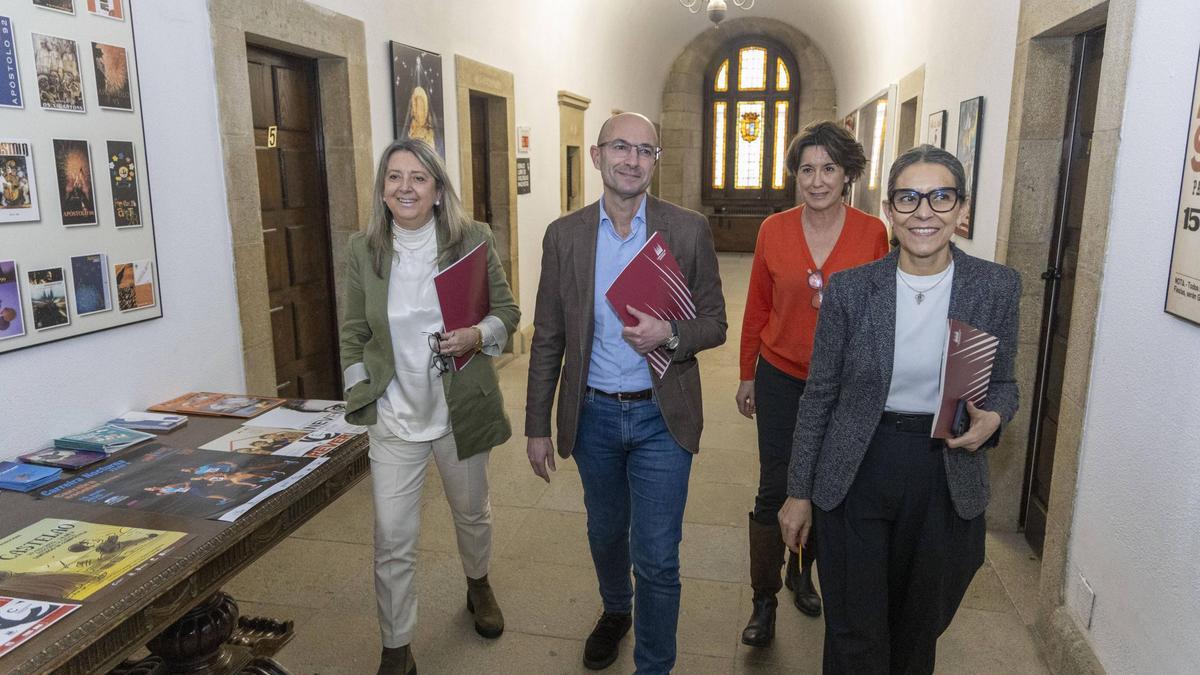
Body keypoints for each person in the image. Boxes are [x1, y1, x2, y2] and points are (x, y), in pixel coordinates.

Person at [778, 144, 1020, 673]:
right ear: (890, 210)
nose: (924, 212)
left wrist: (994, 417)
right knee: (854, 628)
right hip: (859, 464)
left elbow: (1003, 384)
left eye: (941, 197)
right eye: (909, 198)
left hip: (944, 466)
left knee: (917, 627)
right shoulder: (852, 289)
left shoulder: (995, 286)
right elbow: (819, 395)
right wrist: (798, 492)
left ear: (963, 210)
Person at [525, 112, 727, 674]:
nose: (632, 159)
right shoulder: (565, 236)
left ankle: (653, 667)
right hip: (591, 416)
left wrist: (672, 334)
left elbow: (715, 321)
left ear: (655, 162)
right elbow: (548, 336)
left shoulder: (686, 231)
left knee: (658, 558)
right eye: (621, 147)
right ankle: (617, 610)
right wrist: (537, 424)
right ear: (597, 156)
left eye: (645, 150)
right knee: (606, 532)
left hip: (662, 417)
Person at [340, 138, 520, 675]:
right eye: (394, 177)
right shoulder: (363, 250)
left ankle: (478, 582)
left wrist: (475, 335)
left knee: (471, 512)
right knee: (392, 536)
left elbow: (508, 312)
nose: (405, 187)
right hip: (394, 417)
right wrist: (360, 394)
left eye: (418, 177)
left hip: (458, 407)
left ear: (438, 190)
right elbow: (353, 333)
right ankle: (396, 646)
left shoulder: (472, 240)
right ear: (383, 189)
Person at [735, 121, 889, 647]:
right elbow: (757, 304)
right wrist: (745, 373)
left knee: (827, 485)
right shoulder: (773, 230)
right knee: (774, 487)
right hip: (780, 378)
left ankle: (801, 573)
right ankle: (763, 602)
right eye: (807, 169)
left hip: (844, 387)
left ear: (847, 174)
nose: (817, 179)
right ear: (794, 175)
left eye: (828, 168)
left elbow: (878, 316)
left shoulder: (872, 234)